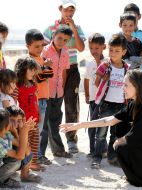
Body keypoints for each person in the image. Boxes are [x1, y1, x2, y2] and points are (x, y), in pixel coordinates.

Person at [43, 0, 86, 154]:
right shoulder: (50, 29)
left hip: (72, 69)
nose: (69, 13)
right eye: (67, 9)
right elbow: (44, 49)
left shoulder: (78, 28)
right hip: (53, 71)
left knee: (71, 105)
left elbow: (81, 48)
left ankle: (71, 140)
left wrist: (73, 27)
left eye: (72, 10)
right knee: (52, 106)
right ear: (60, 9)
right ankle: (51, 140)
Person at [90, 34, 129, 169]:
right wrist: (105, 79)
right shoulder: (105, 65)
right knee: (101, 134)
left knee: (115, 133)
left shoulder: (127, 68)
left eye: (117, 51)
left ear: (124, 52)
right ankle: (96, 158)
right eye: (111, 50)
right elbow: (96, 82)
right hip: (106, 104)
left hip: (121, 106)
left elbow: (129, 86)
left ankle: (113, 157)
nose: (113, 53)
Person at [40, 26, 73, 159]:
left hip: (58, 92)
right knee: (43, 124)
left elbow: (64, 71)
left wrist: (63, 89)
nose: (61, 42)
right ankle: (40, 154)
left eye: (65, 40)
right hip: (46, 91)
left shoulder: (65, 52)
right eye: (59, 38)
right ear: (54, 35)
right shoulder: (45, 51)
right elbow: (39, 70)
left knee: (55, 122)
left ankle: (58, 150)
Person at [25, 29, 53, 165]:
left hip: (43, 98)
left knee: (40, 129)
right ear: (28, 46)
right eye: (36, 46)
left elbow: (49, 74)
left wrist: (45, 67)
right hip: (36, 100)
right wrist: (45, 67)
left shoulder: (40, 59)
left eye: (42, 45)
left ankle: (37, 155)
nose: (40, 48)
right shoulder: (29, 61)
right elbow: (40, 78)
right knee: (36, 129)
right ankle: (34, 156)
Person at [15, 57, 45, 171]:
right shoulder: (18, 86)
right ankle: (25, 165)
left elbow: (35, 101)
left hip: (34, 119)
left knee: (35, 141)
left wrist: (39, 114)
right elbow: (14, 103)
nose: (33, 73)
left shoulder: (33, 84)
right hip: (24, 121)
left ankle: (34, 163)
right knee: (25, 144)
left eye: (34, 70)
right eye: (31, 70)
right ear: (23, 70)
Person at [0, 108, 39, 188]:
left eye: (19, 120)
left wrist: (21, 132)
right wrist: (24, 133)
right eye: (11, 121)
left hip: (5, 160)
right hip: (5, 161)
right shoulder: (2, 138)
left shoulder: (6, 134)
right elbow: (20, 156)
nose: (14, 124)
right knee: (16, 161)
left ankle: (24, 175)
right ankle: (3, 180)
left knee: (22, 153)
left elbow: (26, 150)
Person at [84, 33, 106, 158]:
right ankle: (93, 150)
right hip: (93, 100)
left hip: (105, 99)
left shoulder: (107, 63)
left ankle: (103, 149)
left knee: (102, 125)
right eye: (91, 48)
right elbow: (86, 79)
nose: (94, 51)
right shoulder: (90, 64)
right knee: (92, 125)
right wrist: (87, 95)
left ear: (104, 47)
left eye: (97, 48)